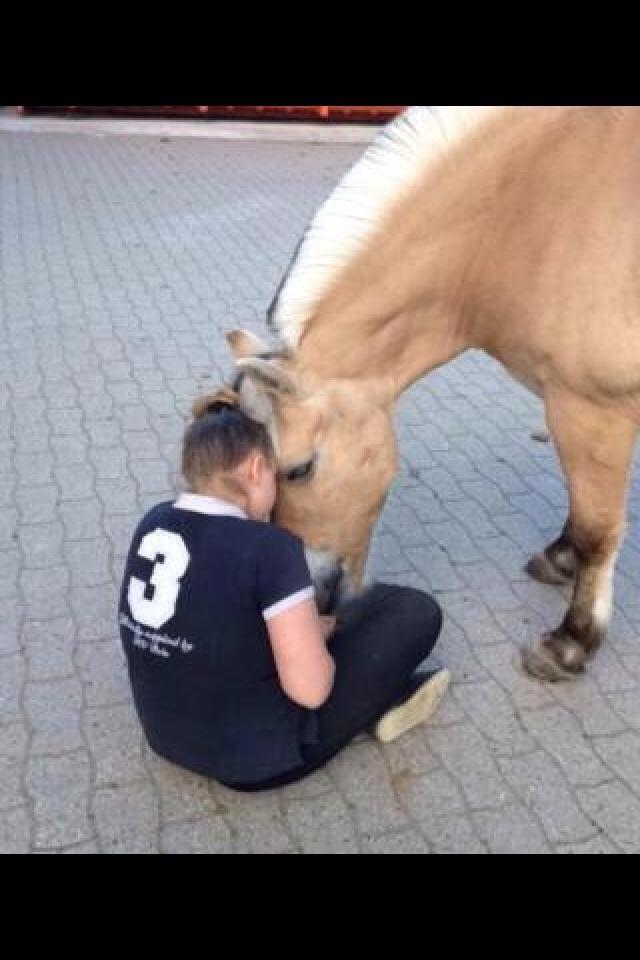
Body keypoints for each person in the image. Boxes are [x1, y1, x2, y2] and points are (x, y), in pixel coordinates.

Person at [118, 391, 450, 793]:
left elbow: (209, 615)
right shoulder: (268, 547)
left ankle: (380, 691)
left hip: (166, 738)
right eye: (277, 478)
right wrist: (317, 638)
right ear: (257, 468)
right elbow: (311, 692)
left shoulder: (151, 523)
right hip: (259, 762)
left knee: (331, 615)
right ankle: (386, 699)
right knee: (413, 611)